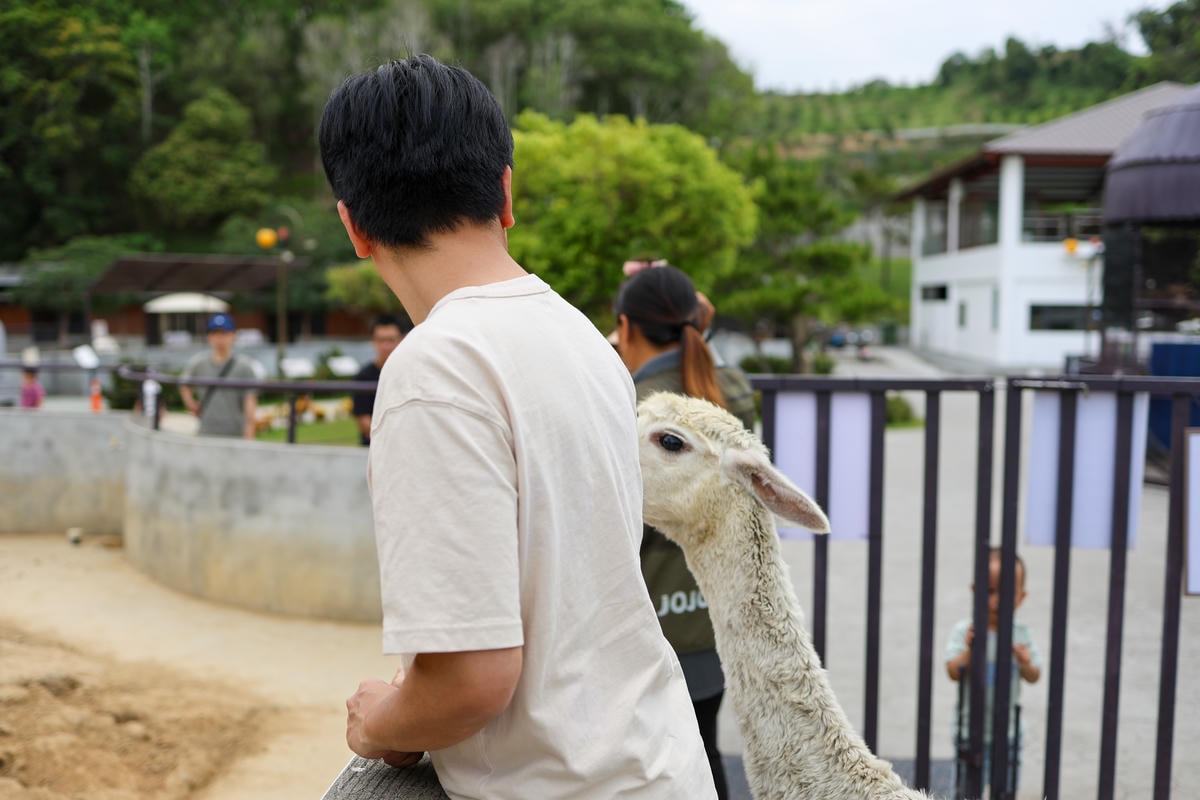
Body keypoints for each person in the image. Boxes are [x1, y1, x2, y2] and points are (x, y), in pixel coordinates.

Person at [319, 55, 715, 799]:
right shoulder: (581, 337)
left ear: (353, 225)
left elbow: (471, 681)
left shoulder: (431, 371)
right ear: (506, 192)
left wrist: (378, 724)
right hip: (659, 765)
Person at [612, 261, 757, 800]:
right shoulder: (731, 389)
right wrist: (703, 324)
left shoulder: (632, 406)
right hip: (712, 620)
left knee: (646, 768)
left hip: (646, 625)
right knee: (705, 753)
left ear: (626, 327)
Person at [944, 547, 1042, 799]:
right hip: (970, 730)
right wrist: (969, 651)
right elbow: (953, 671)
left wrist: (1026, 663)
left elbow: (1034, 675)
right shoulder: (966, 631)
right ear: (974, 591)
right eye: (989, 591)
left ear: (1021, 597)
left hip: (1008, 732)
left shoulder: (1021, 634)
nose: (997, 600)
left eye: (1007, 592)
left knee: (1005, 791)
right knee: (966, 792)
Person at [179, 313, 261, 439]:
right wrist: (191, 404)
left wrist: (249, 433)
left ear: (233, 335)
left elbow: (250, 402)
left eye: (224, 333)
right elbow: (184, 383)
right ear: (209, 337)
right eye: (215, 334)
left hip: (235, 433)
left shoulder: (244, 366)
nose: (220, 338)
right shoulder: (199, 363)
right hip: (206, 432)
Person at [352, 312, 413, 446]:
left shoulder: (412, 373)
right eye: (381, 340)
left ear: (401, 340)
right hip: (374, 448)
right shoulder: (363, 377)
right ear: (373, 341)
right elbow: (363, 422)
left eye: (391, 340)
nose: (386, 346)